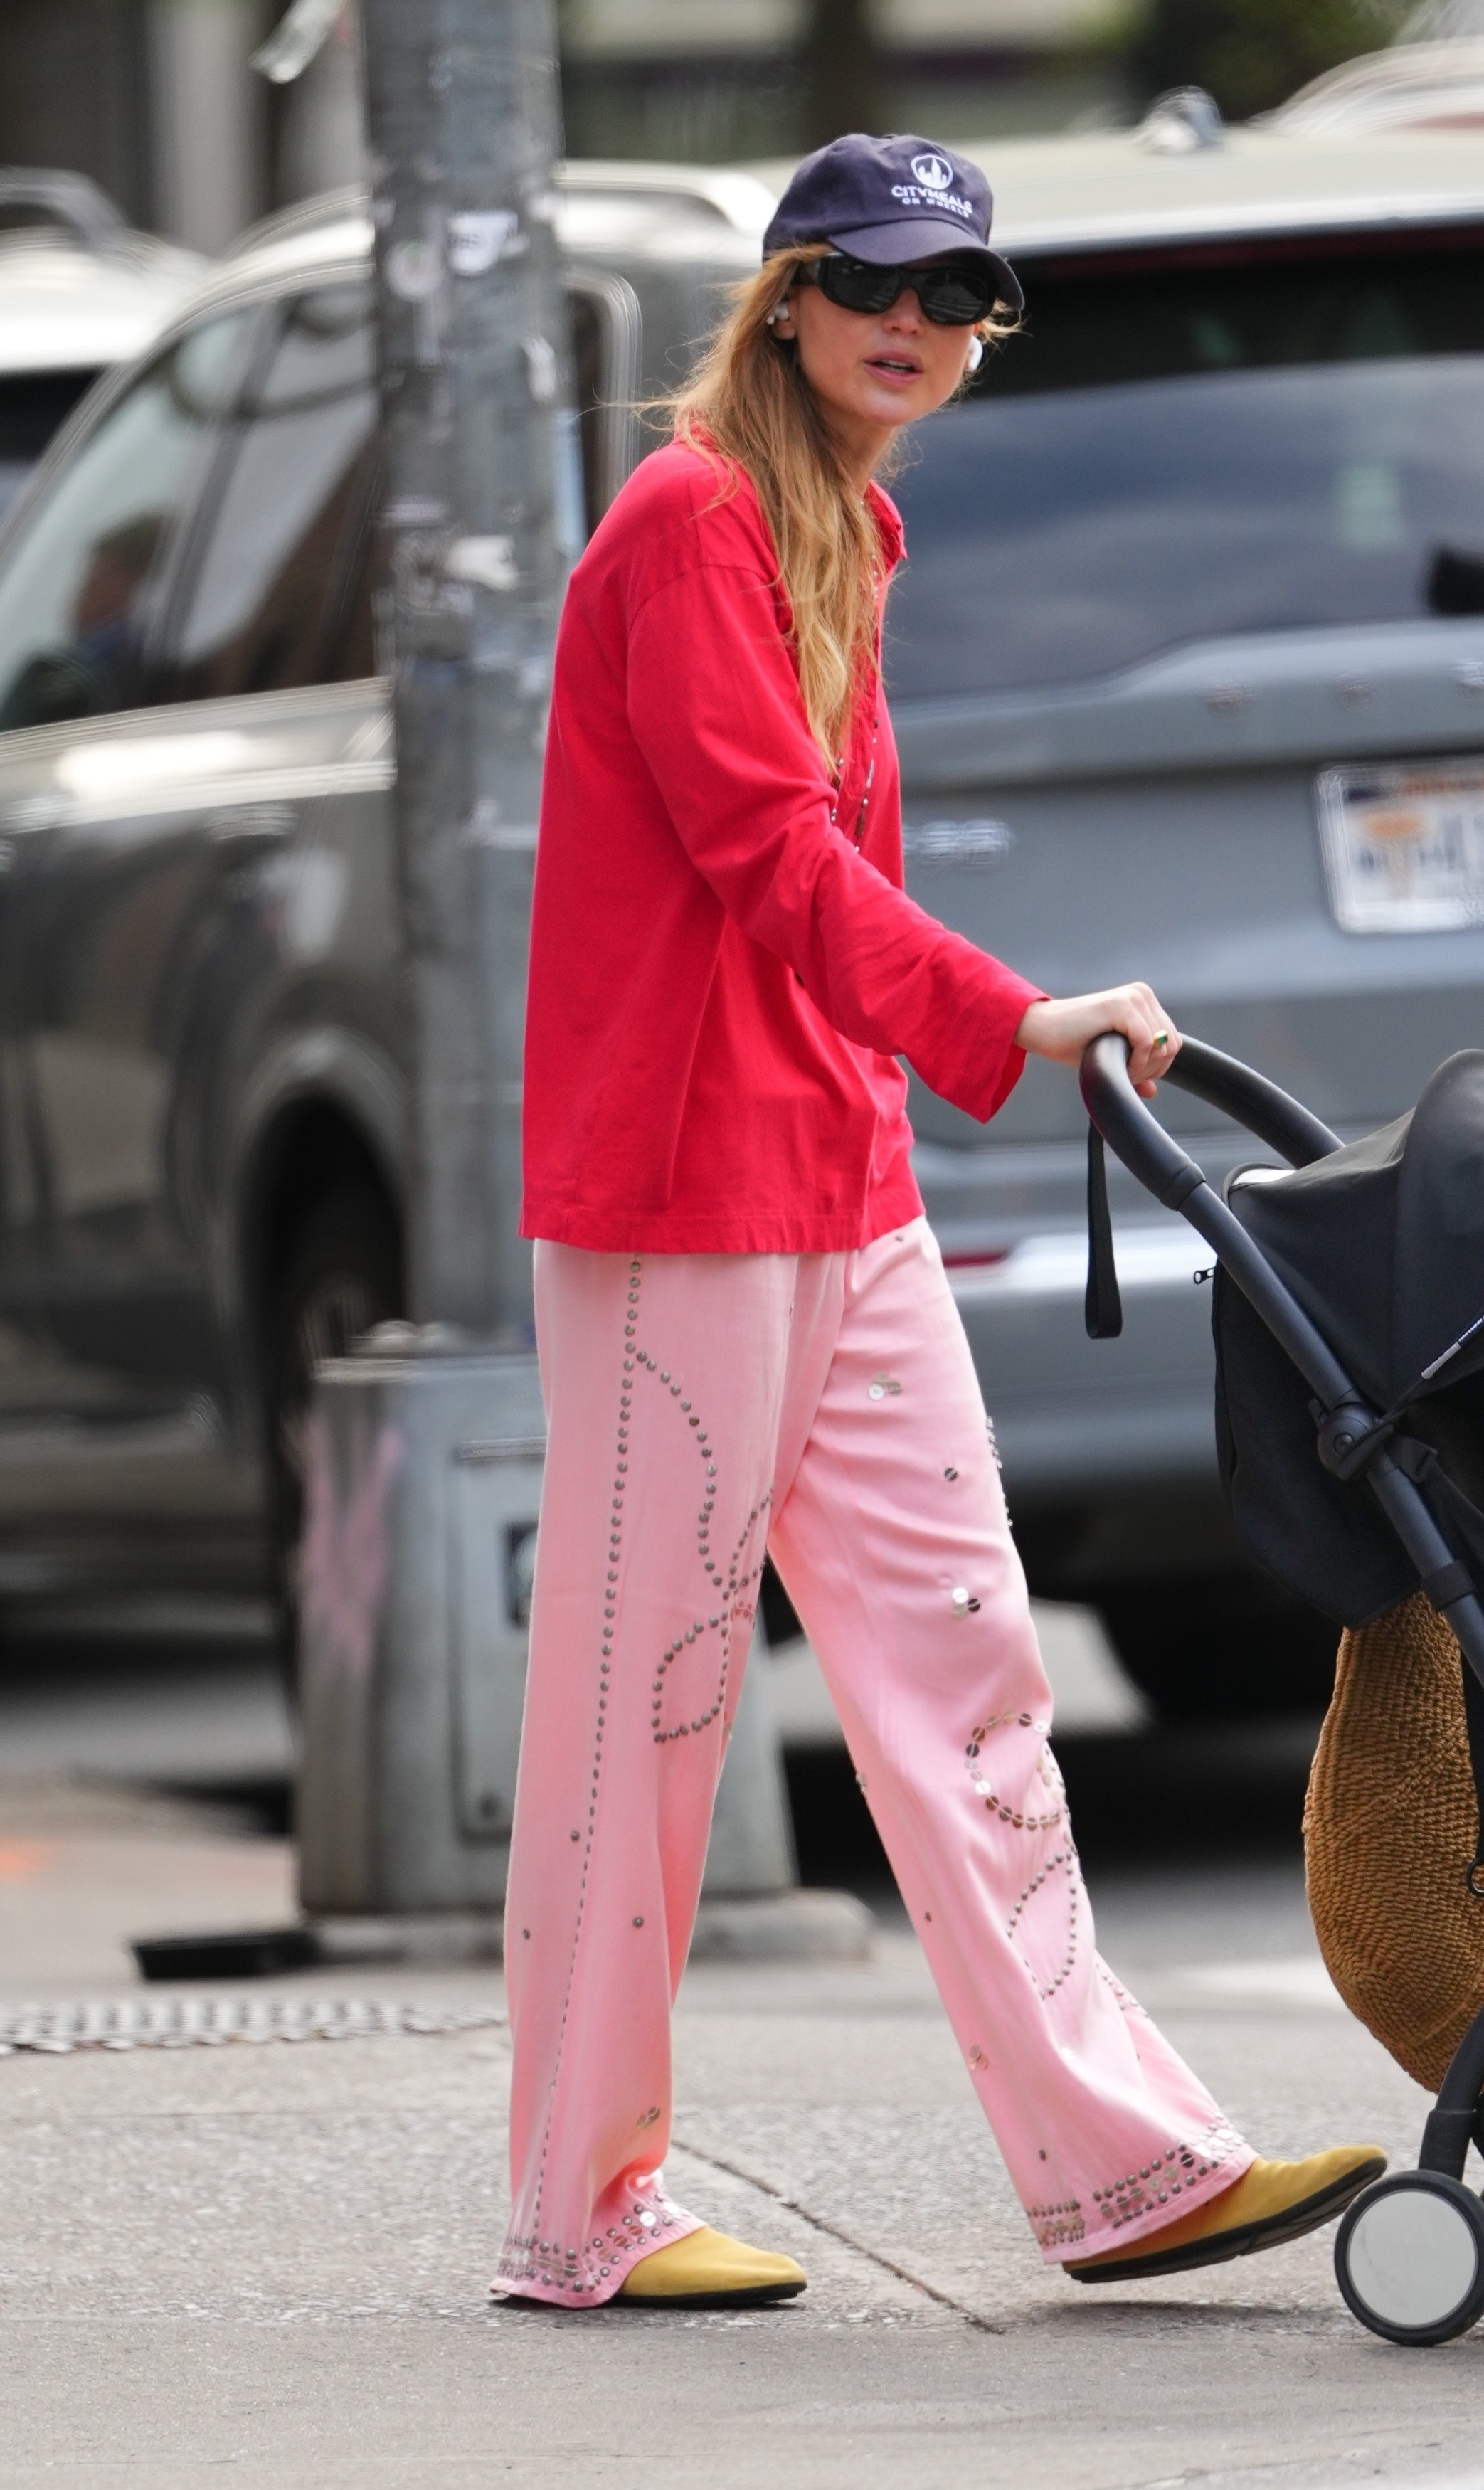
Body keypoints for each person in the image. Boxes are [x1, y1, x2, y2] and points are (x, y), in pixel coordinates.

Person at [494, 132, 1382, 2313]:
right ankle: (574, 2207)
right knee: (654, 1702)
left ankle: (1124, 2164)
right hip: (678, 1204)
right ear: (789, 292)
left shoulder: (840, 521)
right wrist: (1019, 1019)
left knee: (971, 1662)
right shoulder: (693, 516)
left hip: (845, 1185)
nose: (919, 322)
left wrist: (947, 1065)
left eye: (960, 294)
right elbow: (772, 867)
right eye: (877, 280)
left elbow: (815, 891)